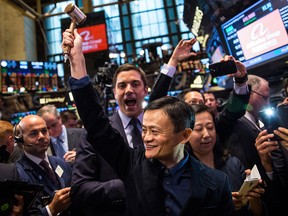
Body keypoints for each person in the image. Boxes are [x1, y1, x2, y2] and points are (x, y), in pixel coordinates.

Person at [63, 28, 234, 215]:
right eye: (144, 130)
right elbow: (95, 122)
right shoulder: (133, 165)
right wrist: (77, 60)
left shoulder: (218, 182)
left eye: (155, 131)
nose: (147, 138)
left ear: (184, 135)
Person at [222, 74, 287, 216]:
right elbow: (246, 165)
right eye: (264, 98)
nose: (268, 102)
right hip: (256, 199)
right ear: (250, 94)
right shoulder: (235, 124)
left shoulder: (258, 121)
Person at [187, 104, 266, 215]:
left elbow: (257, 212)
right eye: (198, 129)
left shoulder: (232, 163)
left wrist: (253, 196)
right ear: (186, 134)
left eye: (210, 127)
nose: (206, 134)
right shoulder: (181, 172)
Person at [14, 115, 72, 216]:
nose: (41, 136)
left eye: (44, 131)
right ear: (20, 140)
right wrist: (51, 210)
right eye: (33, 133)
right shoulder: (18, 173)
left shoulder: (61, 163)